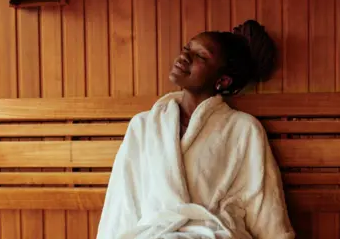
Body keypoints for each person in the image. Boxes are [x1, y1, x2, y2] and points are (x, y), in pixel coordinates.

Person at [96, 20, 295, 239]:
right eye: (186, 49)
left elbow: (262, 202)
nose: (184, 57)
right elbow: (123, 200)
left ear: (222, 80)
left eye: (200, 56)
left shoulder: (243, 129)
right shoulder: (143, 126)